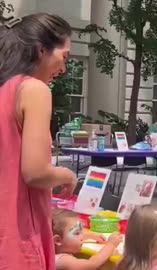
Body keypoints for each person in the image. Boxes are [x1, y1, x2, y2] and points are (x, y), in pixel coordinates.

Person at [0, 13, 78, 269]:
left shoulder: (5, 91)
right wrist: (67, 174)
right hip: (20, 234)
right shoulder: (34, 90)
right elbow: (34, 172)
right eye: (63, 57)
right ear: (42, 49)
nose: (64, 69)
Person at [52, 208, 122, 270]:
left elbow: (70, 236)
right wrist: (111, 244)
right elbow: (92, 264)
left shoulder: (58, 251)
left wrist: (90, 235)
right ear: (57, 240)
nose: (82, 237)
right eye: (77, 233)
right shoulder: (62, 261)